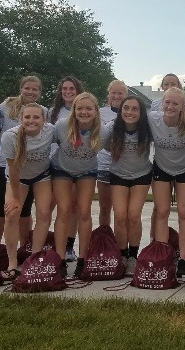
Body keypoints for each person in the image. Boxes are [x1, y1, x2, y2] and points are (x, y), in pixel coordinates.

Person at [51, 92, 107, 278]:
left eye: (88, 108)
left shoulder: (103, 131)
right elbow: (42, 140)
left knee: (84, 211)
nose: (84, 112)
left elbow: (119, 147)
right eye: (80, 108)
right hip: (62, 169)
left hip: (87, 171)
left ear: (96, 111)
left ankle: (83, 259)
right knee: (64, 210)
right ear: (73, 110)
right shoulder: (61, 126)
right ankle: (59, 259)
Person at [0, 103, 55, 279]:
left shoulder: (50, 131)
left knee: (44, 214)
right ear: (20, 119)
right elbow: (13, 170)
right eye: (27, 117)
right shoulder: (10, 136)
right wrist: (15, 198)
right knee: (11, 214)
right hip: (18, 179)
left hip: (42, 176)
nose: (32, 121)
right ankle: (12, 263)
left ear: (44, 120)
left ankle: (34, 258)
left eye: (36, 117)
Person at [148, 87, 185, 277]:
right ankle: (162, 255)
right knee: (162, 212)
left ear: (182, 107)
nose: (170, 106)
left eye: (175, 103)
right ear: (162, 103)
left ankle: (184, 259)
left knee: (184, 213)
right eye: (167, 102)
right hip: (162, 167)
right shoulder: (153, 119)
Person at [0, 75, 44, 247]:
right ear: (21, 89)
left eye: (35, 89)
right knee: (0, 209)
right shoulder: (5, 107)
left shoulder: (43, 111)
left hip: (28, 170)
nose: (30, 91)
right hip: (1, 165)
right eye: (27, 88)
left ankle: (23, 247)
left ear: (39, 92)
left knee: (24, 210)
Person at [107, 96, 153, 276]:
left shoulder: (147, 129)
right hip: (118, 174)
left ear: (141, 113)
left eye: (135, 109)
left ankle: (133, 256)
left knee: (133, 215)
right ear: (120, 110)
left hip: (141, 174)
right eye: (126, 108)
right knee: (119, 215)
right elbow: (101, 144)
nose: (130, 112)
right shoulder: (111, 128)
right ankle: (122, 254)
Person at [49, 76, 86, 263]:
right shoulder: (53, 112)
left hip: (77, 166)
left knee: (72, 207)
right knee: (51, 207)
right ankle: (54, 246)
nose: (68, 91)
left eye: (72, 88)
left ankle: (69, 246)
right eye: (65, 88)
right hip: (56, 164)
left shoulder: (85, 110)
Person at [97, 80, 127, 228]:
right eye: (113, 92)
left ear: (126, 95)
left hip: (125, 167)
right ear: (108, 94)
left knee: (122, 211)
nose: (116, 96)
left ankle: (120, 242)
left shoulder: (132, 113)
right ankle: (105, 239)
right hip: (104, 165)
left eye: (120, 93)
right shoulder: (100, 112)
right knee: (105, 207)